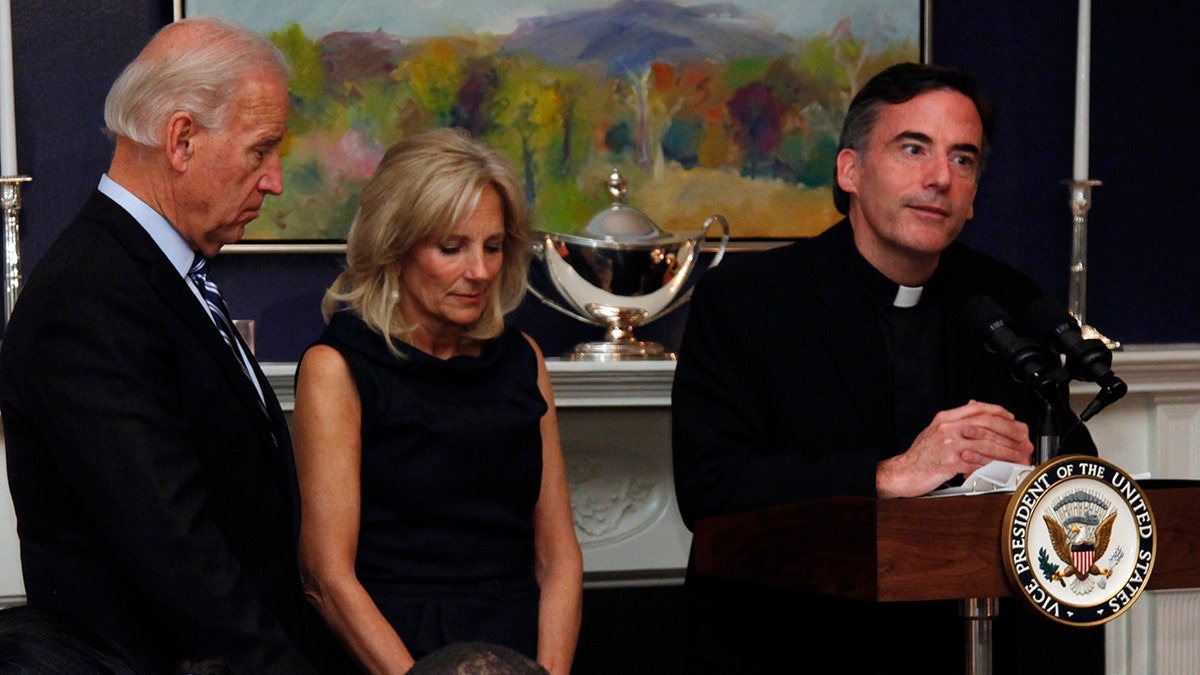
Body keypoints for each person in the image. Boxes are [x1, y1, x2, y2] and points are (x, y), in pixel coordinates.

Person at [671, 62, 1101, 673]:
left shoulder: (1003, 299)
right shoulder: (748, 300)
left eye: (962, 160)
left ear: (975, 195)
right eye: (913, 149)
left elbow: (1075, 473)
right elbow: (710, 490)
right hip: (787, 640)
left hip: (962, 642)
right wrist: (887, 475)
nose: (939, 179)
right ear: (850, 170)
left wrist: (1033, 460)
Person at [0, 17, 316, 673]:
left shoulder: (150, 273)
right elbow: (175, 547)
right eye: (262, 150)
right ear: (180, 140)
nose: (275, 179)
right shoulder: (88, 298)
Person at [292, 128, 583, 675]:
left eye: (492, 247)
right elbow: (326, 576)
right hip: (391, 651)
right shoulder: (338, 368)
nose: (479, 271)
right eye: (451, 248)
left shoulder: (524, 359)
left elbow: (558, 555)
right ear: (394, 247)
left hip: (517, 650)